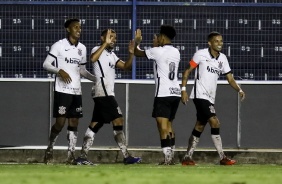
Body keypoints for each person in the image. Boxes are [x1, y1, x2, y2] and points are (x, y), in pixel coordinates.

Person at [75, 29, 141, 165]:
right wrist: (104, 44)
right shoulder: (97, 49)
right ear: (102, 38)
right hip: (103, 92)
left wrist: (131, 53)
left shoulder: (112, 55)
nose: (113, 40)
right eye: (110, 37)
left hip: (106, 92)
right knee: (118, 120)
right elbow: (92, 59)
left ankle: (82, 157)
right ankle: (126, 156)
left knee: (95, 124)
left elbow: (126, 67)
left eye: (115, 38)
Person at [180, 31, 246, 166]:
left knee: (199, 125)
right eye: (216, 41)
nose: (220, 43)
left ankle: (187, 157)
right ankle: (222, 157)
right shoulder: (201, 54)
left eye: (221, 41)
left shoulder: (223, 59)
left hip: (210, 97)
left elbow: (230, 78)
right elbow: (187, 70)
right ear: (209, 43)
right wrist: (183, 90)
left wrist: (239, 89)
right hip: (199, 95)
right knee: (215, 122)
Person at [42, 18, 95, 164]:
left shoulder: (82, 48)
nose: (79, 30)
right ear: (68, 29)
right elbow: (46, 64)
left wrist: (97, 80)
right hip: (62, 90)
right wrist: (59, 71)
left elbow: (82, 71)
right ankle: (49, 148)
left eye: (80, 27)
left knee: (74, 121)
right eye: (75, 27)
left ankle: (70, 155)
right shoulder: (59, 45)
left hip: (76, 91)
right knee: (60, 123)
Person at [134, 25, 181, 165]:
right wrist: (155, 46)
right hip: (175, 92)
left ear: (162, 37)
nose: (157, 39)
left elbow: (137, 52)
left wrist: (137, 41)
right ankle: (171, 156)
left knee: (162, 126)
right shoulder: (176, 51)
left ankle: (167, 159)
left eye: (158, 37)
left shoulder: (157, 51)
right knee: (170, 125)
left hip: (163, 93)